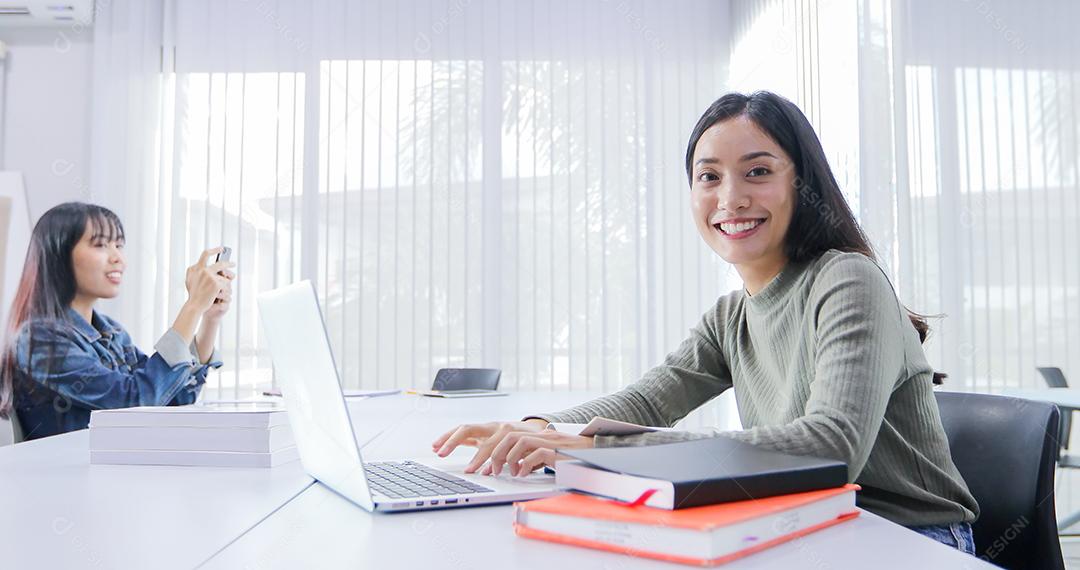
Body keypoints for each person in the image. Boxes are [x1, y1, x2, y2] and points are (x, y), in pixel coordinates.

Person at [431, 91, 979, 554]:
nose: (731, 198)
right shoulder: (730, 315)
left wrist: (600, 447)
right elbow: (647, 401)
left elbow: (832, 448)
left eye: (758, 172)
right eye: (709, 177)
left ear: (801, 183)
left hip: (911, 538)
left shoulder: (847, 279)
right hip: (809, 526)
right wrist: (540, 429)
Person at [0, 202, 234, 440]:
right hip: (69, 464)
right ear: (58, 255)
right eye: (100, 245)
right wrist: (193, 306)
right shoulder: (39, 339)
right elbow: (134, 403)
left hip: (118, 461)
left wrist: (209, 319)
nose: (118, 258)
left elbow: (172, 399)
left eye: (119, 245)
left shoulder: (112, 332)